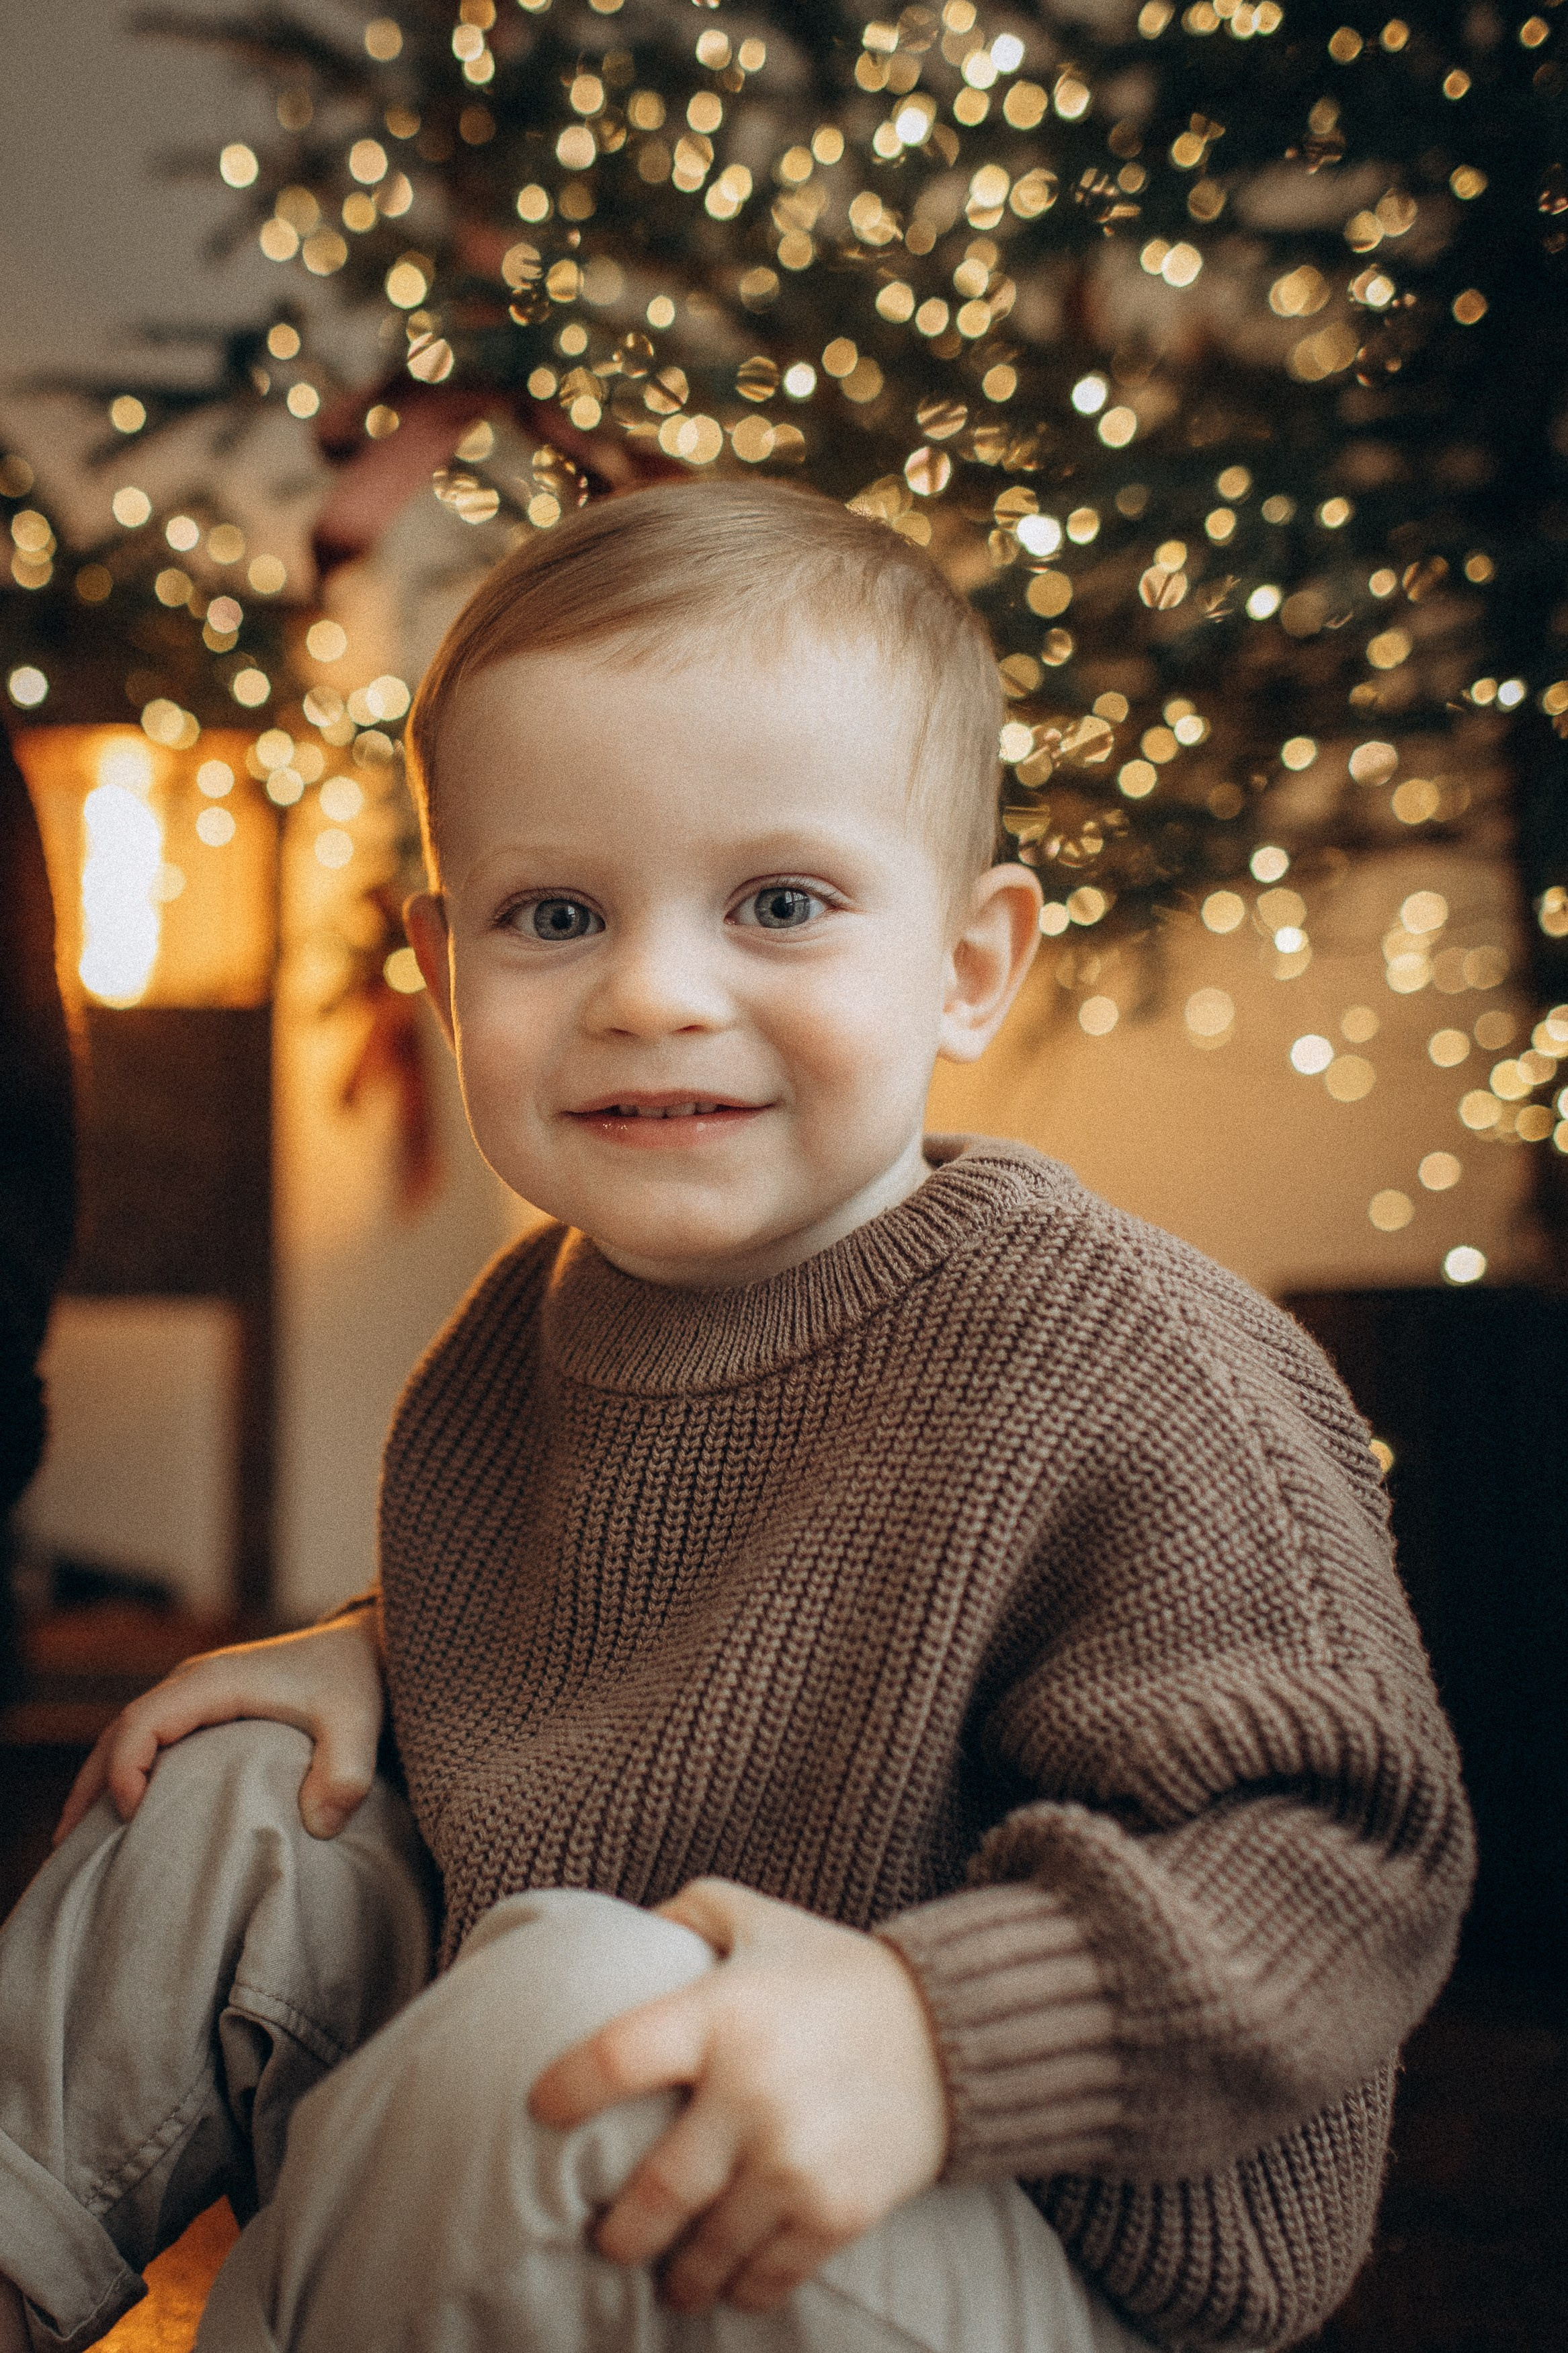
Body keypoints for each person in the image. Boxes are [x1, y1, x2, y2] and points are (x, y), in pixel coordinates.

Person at [0, 481, 1473, 2353]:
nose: (652, 992)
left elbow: (1347, 1863)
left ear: (968, 962)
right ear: (450, 969)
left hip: (991, 2234)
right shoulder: (520, 1340)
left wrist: (936, 2033)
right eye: (554, 914)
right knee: (230, 1796)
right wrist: (391, 1653)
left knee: (570, 2012)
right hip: (596, 2134)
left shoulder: (1124, 1356)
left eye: (778, 902)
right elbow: (652, 1650)